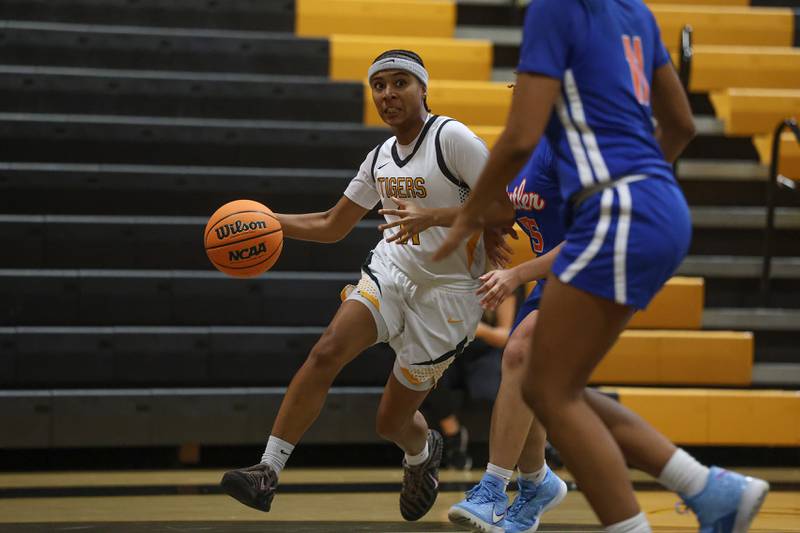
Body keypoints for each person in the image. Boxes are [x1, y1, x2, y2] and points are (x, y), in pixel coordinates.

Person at [435, 1, 769, 532]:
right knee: (548, 381)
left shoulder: (554, 9)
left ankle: (504, 488)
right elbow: (681, 124)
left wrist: (469, 217)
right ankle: (706, 488)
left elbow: (520, 135)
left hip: (618, 207)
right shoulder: (634, 11)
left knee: (542, 378)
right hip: (662, 207)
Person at [219, 49, 509, 522]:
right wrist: (269, 223)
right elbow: (333, 224)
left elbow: (503, 209)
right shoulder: (379, 159)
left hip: (449, 297)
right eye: (379, 85)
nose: (388, 94)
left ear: (423, 89)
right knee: (327, 350)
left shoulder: (451, 139)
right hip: (391, 273)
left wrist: (435, 215)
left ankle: (422, 453)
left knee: (390, 422)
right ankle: (267, 470)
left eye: (400, 83)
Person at [449, 139, 569, 533]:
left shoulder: (568, 146)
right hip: (553, 279)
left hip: (591, 271)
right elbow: (495, 209)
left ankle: (493, 488)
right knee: (519, 367)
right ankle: (536, 482)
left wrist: (517, 273)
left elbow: (589, 236)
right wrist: (489, 233)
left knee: (518, 350)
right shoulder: (519, 147)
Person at [420, 292, 517, 471]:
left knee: (487, 393)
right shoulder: (444, 279)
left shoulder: (499, 281)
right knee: (424, 372)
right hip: (450, 350)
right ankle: (454, 438)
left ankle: (527, 446)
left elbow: (505, 336)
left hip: (484, 351)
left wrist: (478, 329)